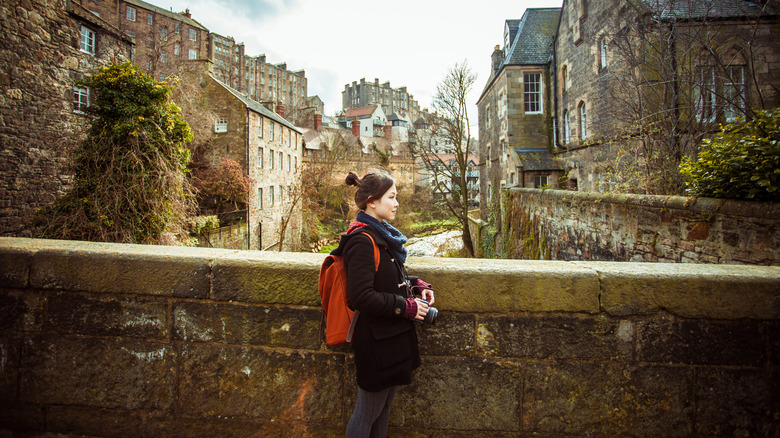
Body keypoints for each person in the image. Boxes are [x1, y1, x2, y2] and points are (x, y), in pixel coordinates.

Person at [333, 169, 435, 438]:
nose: (397, 203)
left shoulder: (381, 236)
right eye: (392, 197)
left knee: (384, 409)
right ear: (372, 201)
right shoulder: (362, 241)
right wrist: (408, 307)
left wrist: (415, 285)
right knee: (367, 413)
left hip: (391, 338)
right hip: (377, 342)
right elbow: (362, 296)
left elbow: (387, 278)